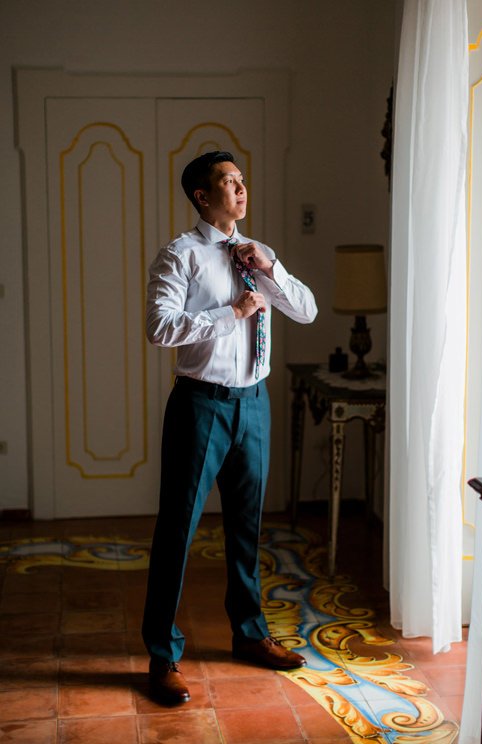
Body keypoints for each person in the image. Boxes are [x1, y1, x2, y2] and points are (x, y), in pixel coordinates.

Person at [142, 151, 318, 704]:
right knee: (178, 531)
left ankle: (250, 635)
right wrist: (231, 315)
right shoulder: (181, 255)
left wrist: (271, 271)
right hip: (200, 406)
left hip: (254, 405)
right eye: (228, 181)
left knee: (247, 530)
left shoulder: (258, 254)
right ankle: (161, 656)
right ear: (202, 195)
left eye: (242, 179)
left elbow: (307, 311)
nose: (241, 188)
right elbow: (159, 328)